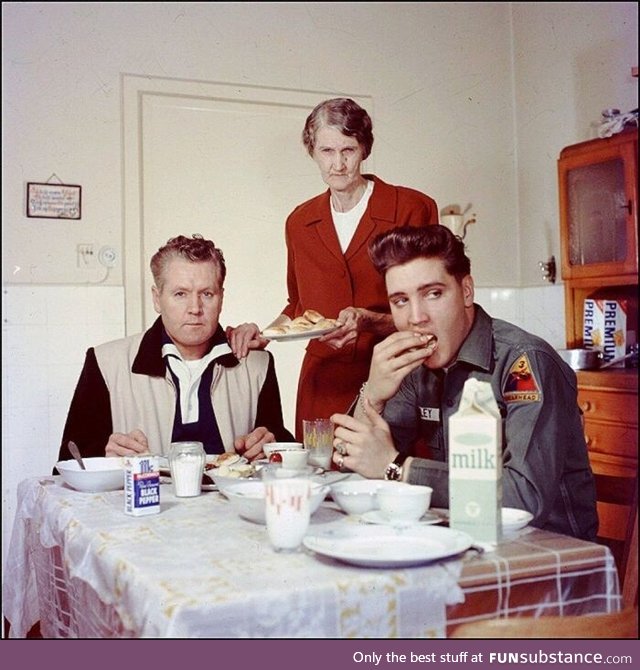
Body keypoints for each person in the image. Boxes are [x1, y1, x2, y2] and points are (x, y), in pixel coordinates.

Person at [330, 225, 598, 541]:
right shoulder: (416, 367)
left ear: (466, 291)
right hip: (462, 540)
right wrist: (372, 394)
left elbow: (525, 499)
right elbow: (350, 467)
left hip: (547, 553)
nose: (416, 317)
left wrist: (397, 467)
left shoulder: (524, 362)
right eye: (401, 300)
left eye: (433, 293)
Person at [227, 98, 439, 439]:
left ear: (365, 149)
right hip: (322, 385)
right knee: (319, 480)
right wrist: (265, 333)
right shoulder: (299, 221)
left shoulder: (411, 208)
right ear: (312, 151)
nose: (338, 164)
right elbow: (298, 307)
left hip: (396, 379)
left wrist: (368, 321)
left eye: (348, 150)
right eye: (327, 151)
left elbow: (431, 312)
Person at [57, 234, 293, 463]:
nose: (195, 308)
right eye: (180, 294)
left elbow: (276, 448)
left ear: (221, 298)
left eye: (207, 294)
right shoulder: (106, 362)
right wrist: (104, 454)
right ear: (157, 298)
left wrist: (270, 445)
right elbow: (69, 460)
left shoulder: (256, 365)